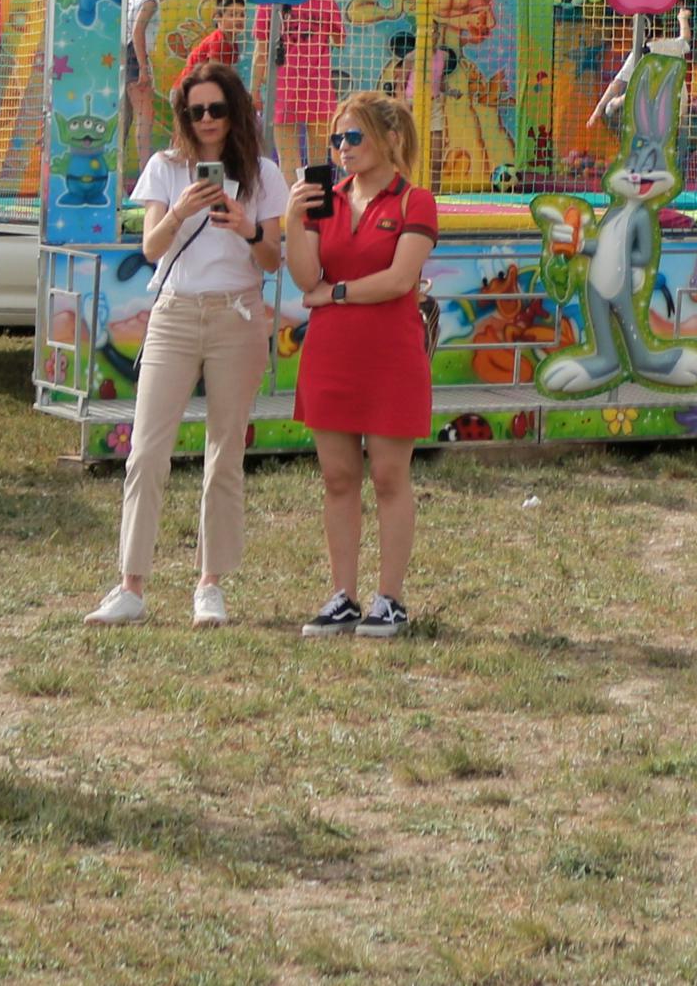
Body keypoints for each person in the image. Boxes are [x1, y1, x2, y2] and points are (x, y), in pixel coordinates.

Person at [93, 58, 296, 628]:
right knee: (147, 449)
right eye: (195, 110)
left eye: (217, 109)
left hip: (237, 313)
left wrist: (246, 225)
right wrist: (181, 209)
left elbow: (273, 259)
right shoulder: (164, 167)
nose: (207, 119)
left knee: (224, 451)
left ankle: (210, 583)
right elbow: (153, 248)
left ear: (236, 112)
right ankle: (130, 585)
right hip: (176, 312)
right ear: (183, 115)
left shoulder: (263, 173)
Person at [283, 88, 441, 635]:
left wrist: (338, 293)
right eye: (337, 138)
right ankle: (343, 596)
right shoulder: (327, 199)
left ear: (390, 138)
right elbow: (305, 280)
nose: (343, 148)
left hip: (391, 356)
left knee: (389, 476)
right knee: (337, 477)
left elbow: (400, 280)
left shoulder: (413, 201)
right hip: (331, 355)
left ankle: (390, 598)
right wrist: (293, 220)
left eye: (354, 136)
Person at [121, 0, 167, 119]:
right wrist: (143, 68)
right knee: (145, 112)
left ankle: (121, 144)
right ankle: (144, 146)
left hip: (122, 53)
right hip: (135, 54)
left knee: (126, 114)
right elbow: (137, 31)